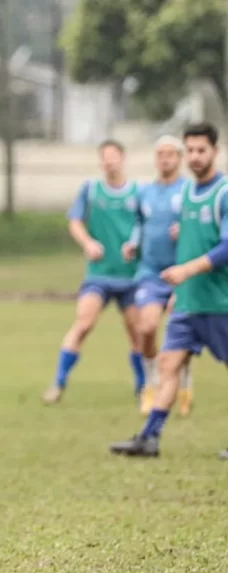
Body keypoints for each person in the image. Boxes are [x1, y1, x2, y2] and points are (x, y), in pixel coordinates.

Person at [110, 122, 228, 459]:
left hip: (220, 302)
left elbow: (226, 247)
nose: (194, 156)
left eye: (200, 150)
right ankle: (150, 437)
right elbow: (189, 242)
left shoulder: (223, 192)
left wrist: (186, 270)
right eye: (190, 150)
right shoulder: (187, 194)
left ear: (215, 152)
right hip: (189, 301)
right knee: (168, 364)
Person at [43, 141, 143, 405]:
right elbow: (75, 222)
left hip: (131, 276)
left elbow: (146, 225)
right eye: (104, 158)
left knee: (137, 333)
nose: (109, 162)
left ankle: (144, 386)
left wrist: (137, 244)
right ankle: (59, 382)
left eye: (113, 157)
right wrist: (88, 242)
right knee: (84, 324)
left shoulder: (138, 192)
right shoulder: (91, 190)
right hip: (99, 274)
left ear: (123, 159)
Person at [123, 136, 194, 416]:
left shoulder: (190, 190)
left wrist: (186, 230)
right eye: (160, 154)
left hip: (183, 272)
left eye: (170, 154)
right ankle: (151, 382)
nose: (165, 159)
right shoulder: (145, 192)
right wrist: (133, 242)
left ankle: (185, 381)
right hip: (151, 272)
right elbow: (139, 223)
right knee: (146, 328)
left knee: (183, 333)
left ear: (179, 158)